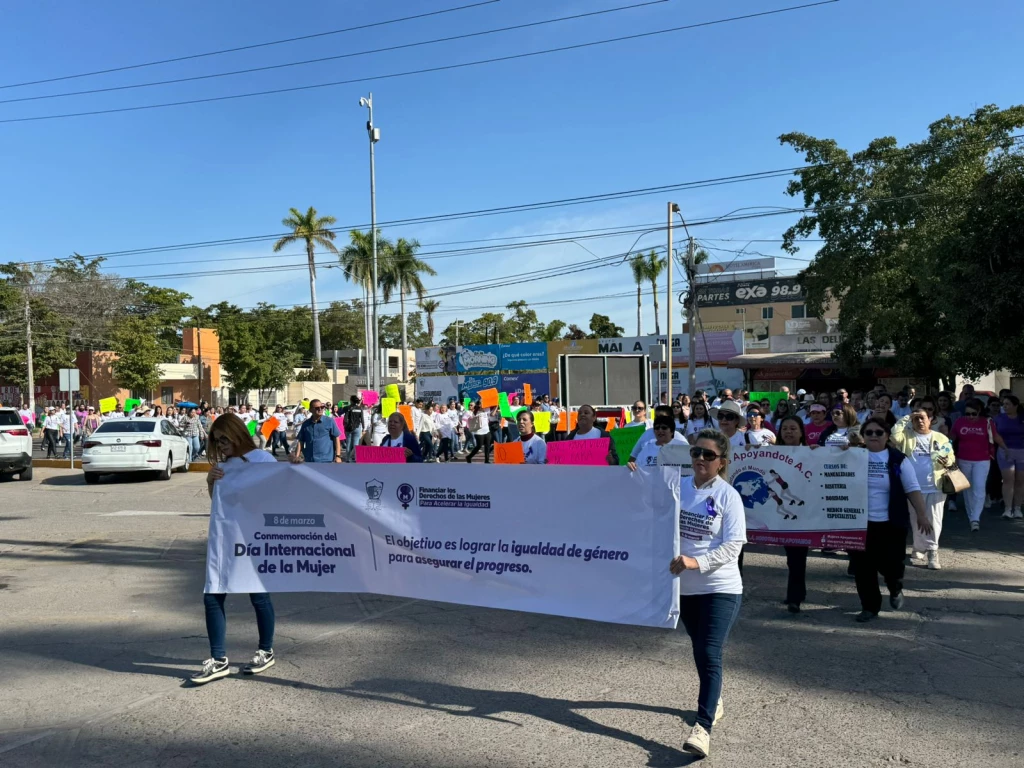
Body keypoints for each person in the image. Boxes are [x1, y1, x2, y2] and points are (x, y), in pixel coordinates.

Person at [669, 428, 746, 759]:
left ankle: (702, 728)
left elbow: (733, 546)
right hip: (684, 590)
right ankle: (715, 700)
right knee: (700, 651)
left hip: (720, 589)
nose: (700, 459)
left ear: (722, 462)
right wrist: (635, 476)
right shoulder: (677, 488)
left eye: (708, 455)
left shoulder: (729, 496)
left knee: (710, 651)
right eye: (696, 452)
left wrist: (695, 561)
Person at [192, 413, 278, 685]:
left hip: (254, 541)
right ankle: (218, 660)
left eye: (224, 439)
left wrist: (294, 468)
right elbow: (219, 505)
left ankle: (266, 650)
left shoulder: (263, 460)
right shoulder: (223, 466)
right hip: (225, 539)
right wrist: (211, 482)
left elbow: (285, 492)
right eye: (217, 442)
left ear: (238, 433)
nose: (221, 446)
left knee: (259, 596)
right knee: (213, 595)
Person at [849, 417, 932, 623]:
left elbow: (912, 489)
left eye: (879, 432)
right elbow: (825, 464)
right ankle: (869, 607)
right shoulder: (852, 456)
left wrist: (922, 515)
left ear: (887, 436)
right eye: (869, 433)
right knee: (863, 567)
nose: (874, 436)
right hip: (860, 523)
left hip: (891, 523)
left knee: (892, 566)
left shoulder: (898, 459)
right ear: (863, 436)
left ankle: (895, 587)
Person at [890, 402, 954, 570]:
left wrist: (947, 460)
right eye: (915, 418)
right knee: (916, 519)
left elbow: (951, 458)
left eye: (922, 418)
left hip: (935, 485)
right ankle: (919, 547)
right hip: (912, 486)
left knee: (934, 519)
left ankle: (933, 551)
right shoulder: (907, 436)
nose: (919, 421)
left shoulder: (941, 437)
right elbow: (894, 437)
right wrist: (906, 418)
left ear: (930, 420)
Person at [776, 416, 811, 612]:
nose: (788, 432)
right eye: (785, 428)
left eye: (793, 428)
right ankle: (799, 591)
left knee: (798, 555)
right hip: (783, 514)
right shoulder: (771, 453)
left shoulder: (812, 452)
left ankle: (794, 597)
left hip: (805, 513)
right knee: (792, 556)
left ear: (801, 432)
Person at [952, 397, 1003, 531]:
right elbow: (952, 438)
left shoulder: (987, 422)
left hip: (982, 459)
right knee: (968, 488)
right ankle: (971, 516)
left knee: (979, 488)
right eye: (967, 413)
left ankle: (975, 518)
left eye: (973, 413)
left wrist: (1006, 449)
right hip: (963, 459)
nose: (970, 417)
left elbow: (996, 437)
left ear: (980, 411)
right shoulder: (959, 421)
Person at [993, 394, 1024, 519]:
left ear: (1015, 406)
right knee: (1008, 480)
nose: (1004, 407)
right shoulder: (999, 418)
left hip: (1022, 451)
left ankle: (1017, 508)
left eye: (1007, 404)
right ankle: (1007, 509)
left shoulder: (1022, 418)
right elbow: (995, 434)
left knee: (1020, 481)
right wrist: (1005, 447)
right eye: (1003, 404)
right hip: (1005, 451)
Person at [290, 400, 342, 464]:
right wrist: (296, 456)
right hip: (310, 459)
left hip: (326, 459)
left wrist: (338, 456)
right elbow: (301, 441)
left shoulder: (330, 421)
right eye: (317, 408)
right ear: (311, 410)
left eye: (322, 407)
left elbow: (336, 438)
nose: (320, 409)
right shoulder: (306, 424)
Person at [342, 395, 366, 463]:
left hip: (349, 427)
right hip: (357, 427)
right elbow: (362, 419)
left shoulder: (347, 408)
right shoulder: (359, 408)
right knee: (356, 444)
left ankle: (348, 458)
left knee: (348, 443)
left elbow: (345, 417)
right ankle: (355, 458)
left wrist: (345, 425)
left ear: (351, 400)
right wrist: (363, 428)